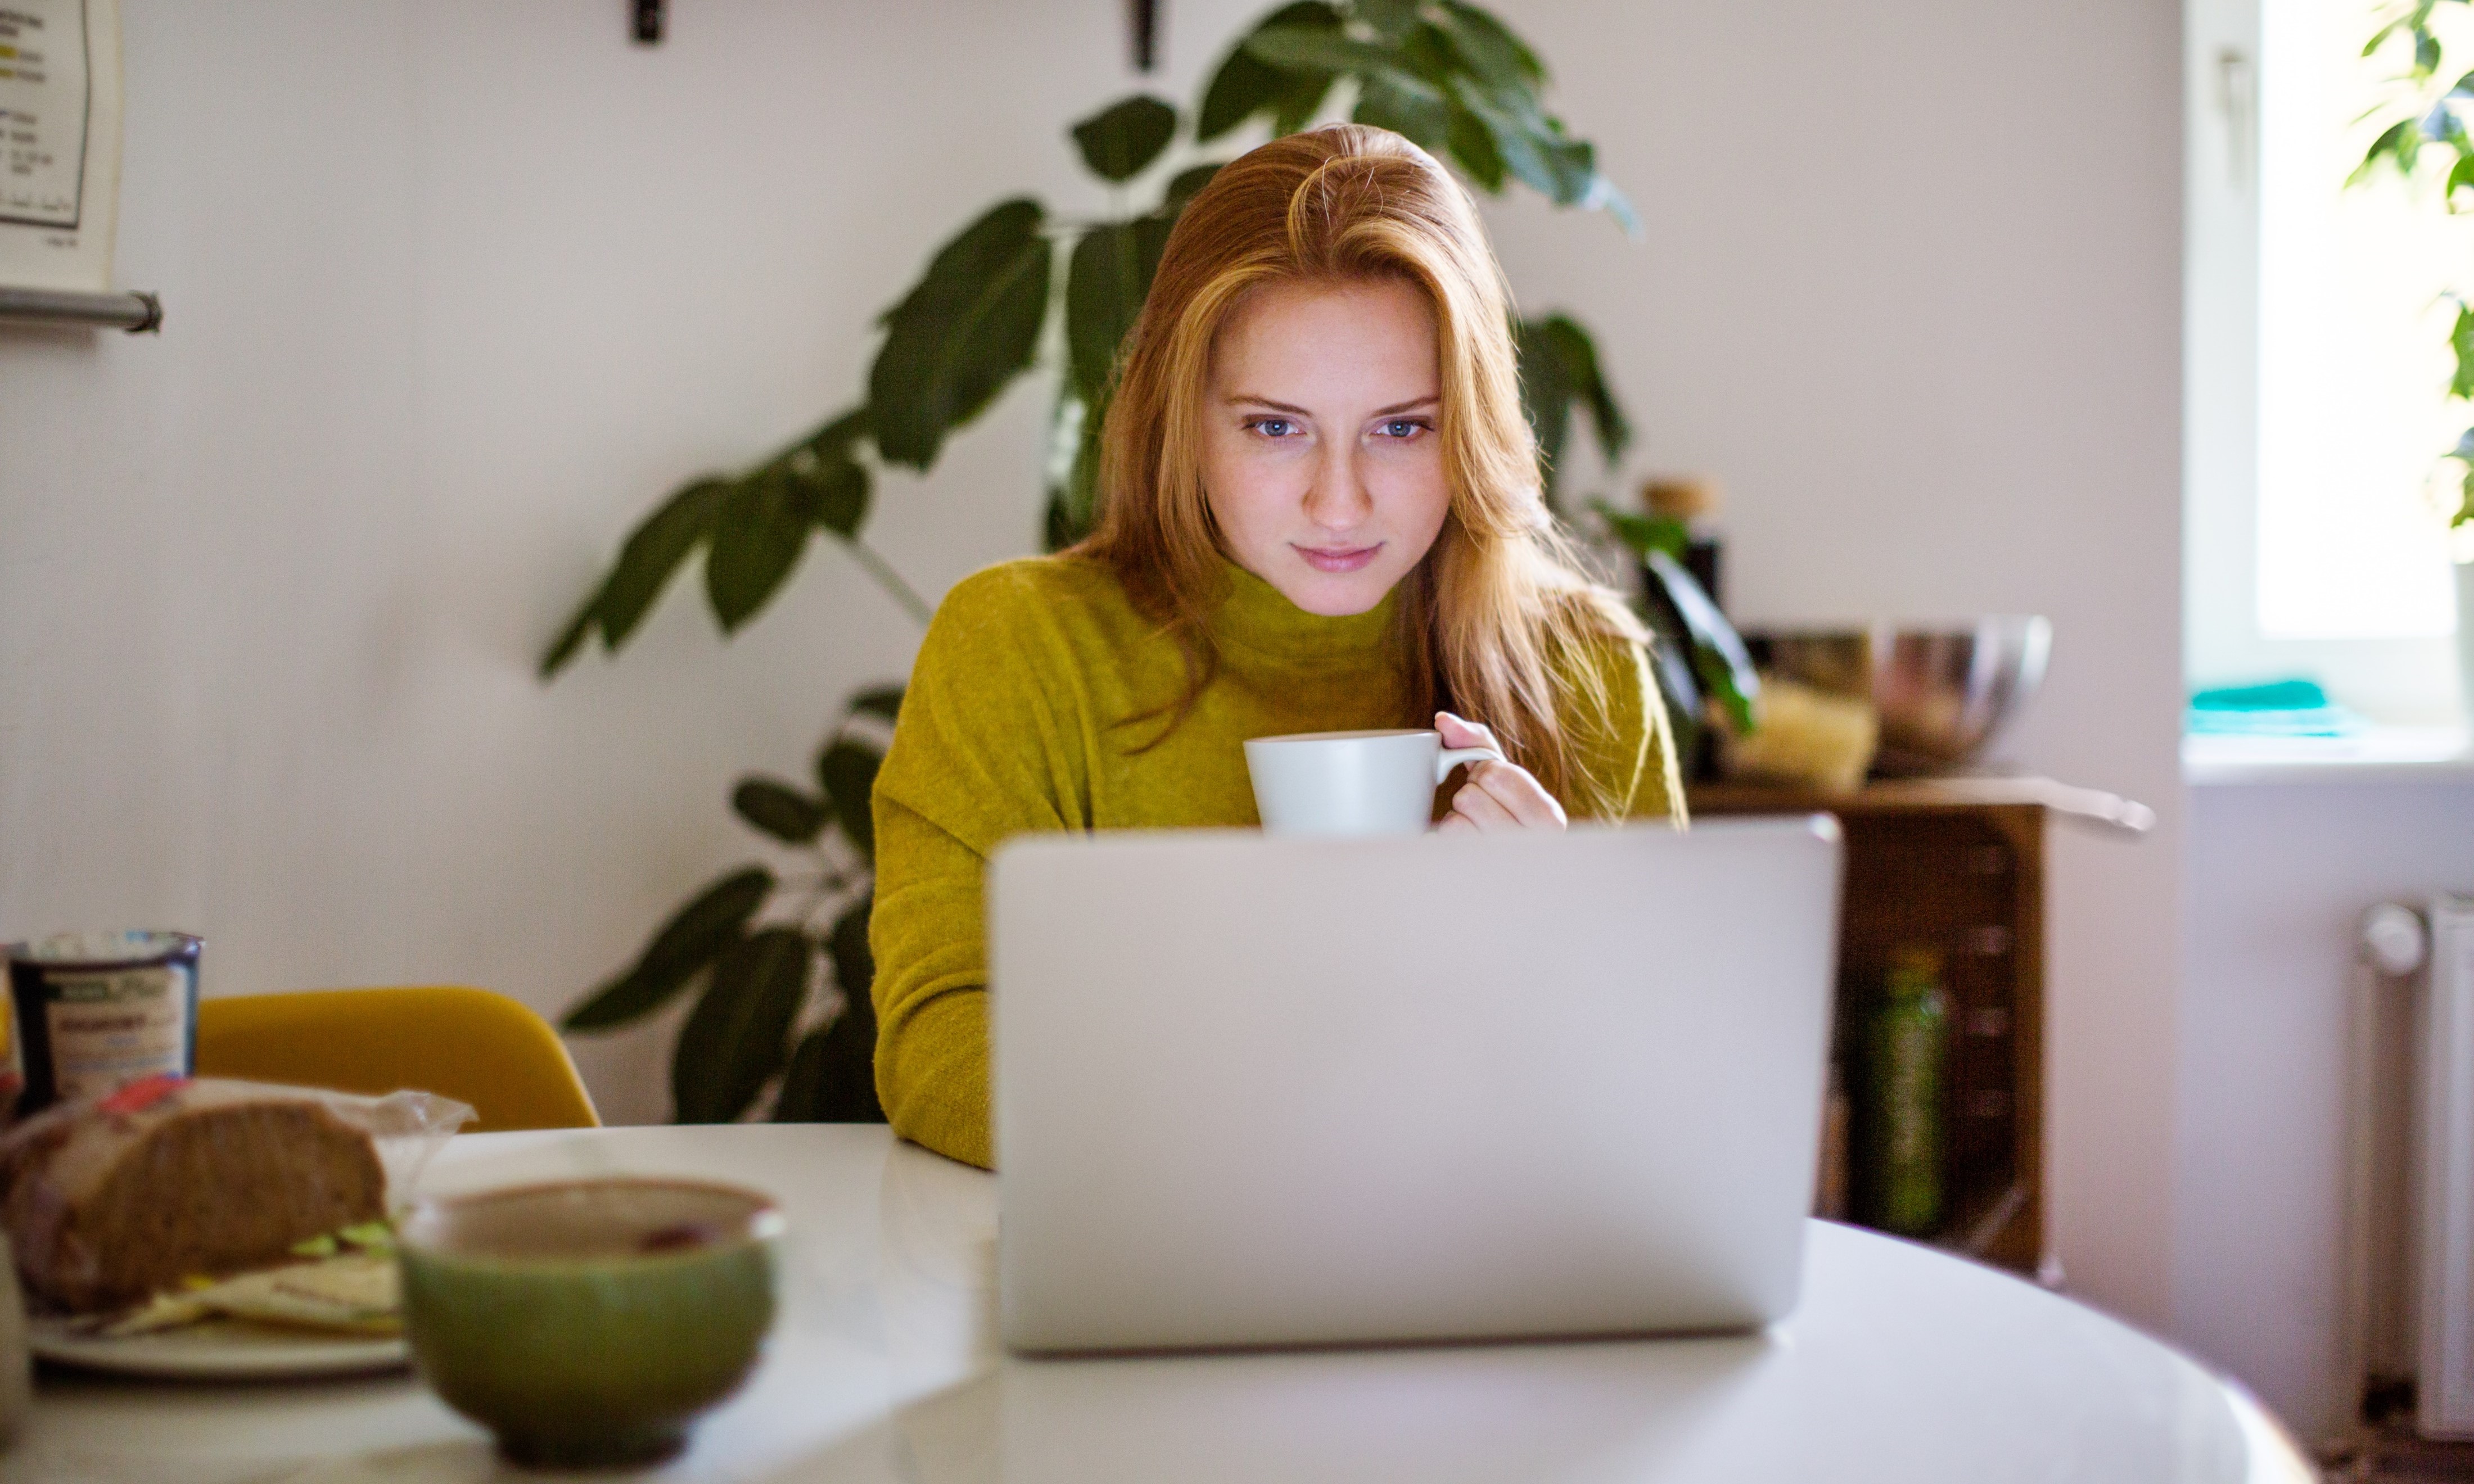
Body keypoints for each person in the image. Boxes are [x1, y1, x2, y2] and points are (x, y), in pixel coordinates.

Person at [868, 123, 1684, 1169]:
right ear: (1183, 420)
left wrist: (1550, 961)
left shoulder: (1586, 671)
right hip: (1141, 1279)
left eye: (1402, 428)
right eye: (1273, 427)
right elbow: (939, 1049)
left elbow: (1664, 1102)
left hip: (1489, 1291)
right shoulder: (1020, 649)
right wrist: (1278, 1116)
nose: (1337, 502)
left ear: (1471, 427)